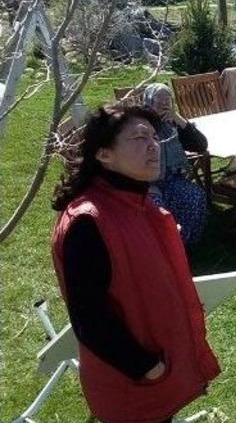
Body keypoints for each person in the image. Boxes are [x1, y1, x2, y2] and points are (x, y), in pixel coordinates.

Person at [50, 104, 220, 423]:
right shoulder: (88, 221)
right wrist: (146, 367)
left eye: (154, 137)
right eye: (140, 138)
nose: (153, 145)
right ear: (103, 155)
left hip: (159, 375)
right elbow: (90, 319)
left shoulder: (138, 205)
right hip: (133, 386)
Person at [142, 83, 209, 244]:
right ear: (148, 104)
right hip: (145, 183)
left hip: (171, 179)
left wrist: (179, 119)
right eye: (159, 104)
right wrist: (144, 185)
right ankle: (161, 247)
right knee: (156, 207)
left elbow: (200, 145)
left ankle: (184, 243)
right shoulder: (141, 128)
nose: (164, 107)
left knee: (196, 196)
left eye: (168, 102)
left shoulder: (172, 125)